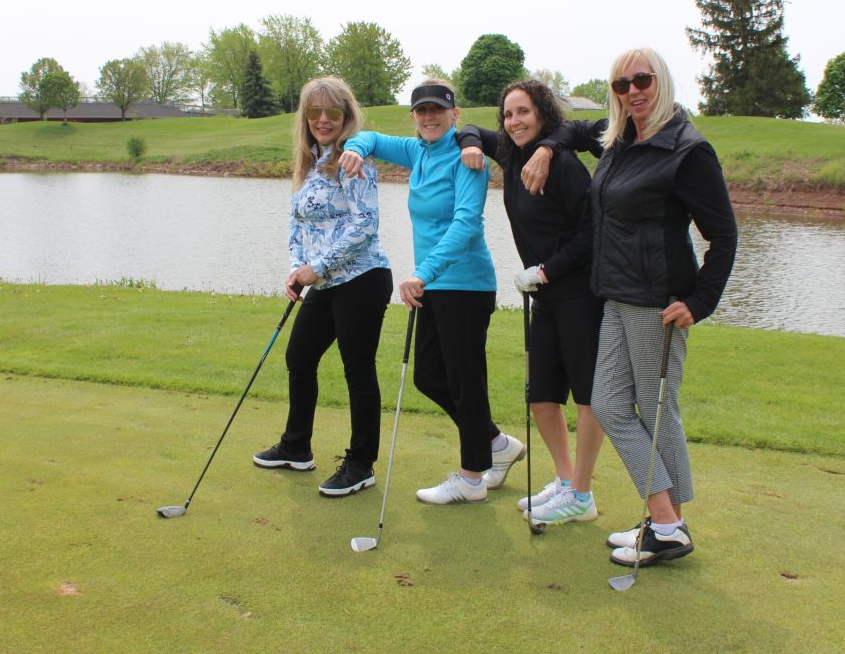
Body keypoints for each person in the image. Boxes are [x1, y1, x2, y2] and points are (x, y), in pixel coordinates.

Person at [521, 48, 736, 567]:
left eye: (642, 80)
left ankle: (665, 522)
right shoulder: (619, 137)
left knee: (647, 412)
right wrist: (547, 148)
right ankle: (669, 522)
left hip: (656, 304)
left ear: (660, 80)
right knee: (620, 406)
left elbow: (723, 236)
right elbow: (570, 131)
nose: (632, 91)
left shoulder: (687, 150)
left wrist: (699, 301)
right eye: (621, 84)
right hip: (614, 297)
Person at [339, 79, 525, 505]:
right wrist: (356, 147)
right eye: (421, 111)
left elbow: (465, 225)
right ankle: (495, 444)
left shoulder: (466, 159)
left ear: (454, 115)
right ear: (414, 117)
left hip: (465, 284)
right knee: (429, 376)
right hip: (434, 284)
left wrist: (422, 272)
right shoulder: (416, 150)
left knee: (465, 382)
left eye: (437, 111)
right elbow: (370, 137)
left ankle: (472, 478)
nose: (429, 117)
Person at [455, 80, 606, 525]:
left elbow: (591, 233)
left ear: (542, 114)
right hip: (544, 297)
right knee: (541, 396)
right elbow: (471, 132)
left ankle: (581, 492)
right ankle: (565, 482)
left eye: (523, 112)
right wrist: (467, 141)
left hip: (578, 292)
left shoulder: (564, 165)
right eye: (508, 114)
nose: (514, 121)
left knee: (586, 397)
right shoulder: (510, 153)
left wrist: (547, 270)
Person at [252, 76, 393, 499]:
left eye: (333, 112)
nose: (324, 120)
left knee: (358, 369)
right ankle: (297, 446)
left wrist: (318, 267)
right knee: (299, 356)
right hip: (324, 279)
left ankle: (361, 463)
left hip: (362, 278)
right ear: (306, 117)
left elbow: (364, 226)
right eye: (315, 112)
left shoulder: (353, 160)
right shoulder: (309, 163)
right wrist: (298, 269)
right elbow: (297, 225)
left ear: (347, 116)